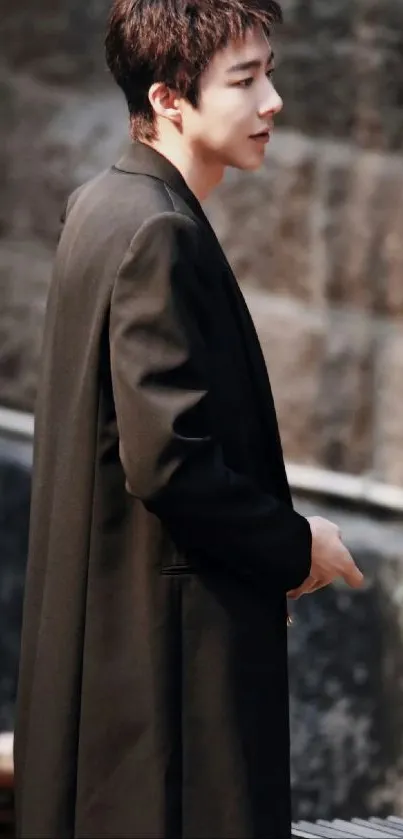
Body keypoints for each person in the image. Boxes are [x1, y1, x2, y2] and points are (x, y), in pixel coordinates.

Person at [14, 0, 364, 836]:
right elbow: (168, 461)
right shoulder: (157, 234)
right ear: (170, 99)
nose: (272, 100)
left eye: (268, 71)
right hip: (168, 685)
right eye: (244, 80)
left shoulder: (102, 204)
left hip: (105, 657)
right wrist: (293, 547)